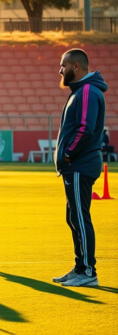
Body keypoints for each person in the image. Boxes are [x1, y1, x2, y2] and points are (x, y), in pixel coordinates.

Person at [53, 48, 107, 288]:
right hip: (76, 165)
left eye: (63, 66)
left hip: (79, 165)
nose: (60, 70)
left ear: (75, 67)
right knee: (73, 217)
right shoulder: (81, 91)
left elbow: (86, 129)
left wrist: (68, 154)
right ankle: (80, 267)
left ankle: (88, 271)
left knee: (80, 217)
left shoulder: (86, 91)